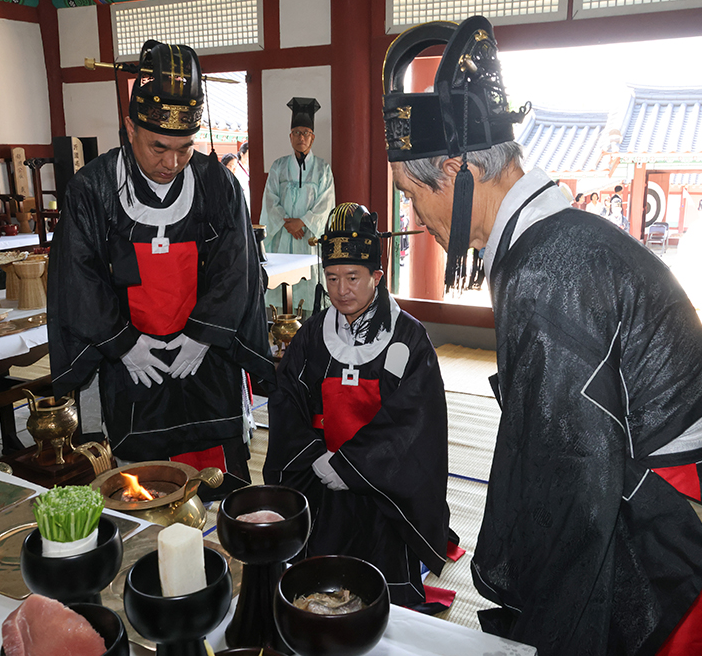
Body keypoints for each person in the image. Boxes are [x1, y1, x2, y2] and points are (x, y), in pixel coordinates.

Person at [382, 16, 702, 655]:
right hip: (674, 485)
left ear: (460, 171)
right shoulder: (553, 240)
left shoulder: (549, 272)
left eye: (410, 194)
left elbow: (573, 481)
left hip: (664, 517)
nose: (413, 216)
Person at [47, 40, 273, 493]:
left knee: (219, 478)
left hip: (204, 355)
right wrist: (123, 344)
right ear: (129, 127)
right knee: (143, 484)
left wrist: (203, 334)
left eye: (185, 148)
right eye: (159, 147)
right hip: (133, 359)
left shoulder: (217, 184)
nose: (172, 162)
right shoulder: (93, 189)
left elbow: (237, 268)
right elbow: (78, 274)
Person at [263, 202, 451, 609]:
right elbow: (286, 402)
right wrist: (315, 457)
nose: (341, 290)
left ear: (377, 277)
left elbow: (415, 423)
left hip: (384, 486)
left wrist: (353, 465)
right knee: (313, 577)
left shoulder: (409, 339)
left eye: (353, 277)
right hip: (319, 470)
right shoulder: (312, 335)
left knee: (384, 579)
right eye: (331, 278)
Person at [260, 98, 335, 314]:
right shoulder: (279, 166)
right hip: (284, 236)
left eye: (305, 133)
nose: (301, 137)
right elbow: (270, 199)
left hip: (308, 238)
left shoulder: (322, 169)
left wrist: (302, 222)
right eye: (297, 133)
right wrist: (288, 223)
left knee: (310, 291)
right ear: (290, 137)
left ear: (312, 138)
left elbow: (326, 203)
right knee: (282, 293)